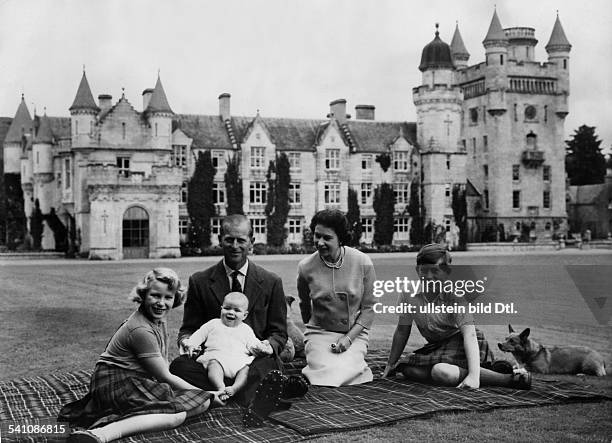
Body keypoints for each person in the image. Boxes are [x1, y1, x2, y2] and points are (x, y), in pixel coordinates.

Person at [169, 214, 307, 426]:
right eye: (229, 239)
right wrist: (187, 343)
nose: (235, 246)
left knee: (268, 364)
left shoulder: (271, 282)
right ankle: (258, 394)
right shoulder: (200, 281)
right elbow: (188, 329)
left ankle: (235, 392)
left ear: (251, 242)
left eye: (241, 240)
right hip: (213, 363)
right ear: (220, 239)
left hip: (252, 362)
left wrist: (268, 346)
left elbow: (279, 333)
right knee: (178, 367)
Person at [59, 268, 214, 443]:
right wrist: (207, 392)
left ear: (175, 299)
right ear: (143, 294)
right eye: (155, 295)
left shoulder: (158, 320)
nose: (161, 303)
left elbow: (162, 363)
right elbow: (165, 375)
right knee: (177, 415)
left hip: (135, 379)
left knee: (202, 402)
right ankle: (100, 434)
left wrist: (204, 395)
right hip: (114, 381)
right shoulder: (140, 329)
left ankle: (134, 417)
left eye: (168, 297)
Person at [382, 244, 531, 390]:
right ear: (417, 270)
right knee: (407, 369)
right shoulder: (408, 293)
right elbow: (402, 330)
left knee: (441, 372)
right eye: (424, 271)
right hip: (436, 346)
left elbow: (470, 335)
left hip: (463, 342)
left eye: (435, 271)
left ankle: (509, 379)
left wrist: (473, 376)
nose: (429, 276)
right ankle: (492, 370)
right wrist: (390, 364)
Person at [297, 209, 376, 386]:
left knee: (345, 370)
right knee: (327, 371)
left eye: (327, 238)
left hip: (354, 334)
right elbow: (304, 305)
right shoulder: (305, 267)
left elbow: (369, 308)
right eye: (317, 236)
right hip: (320, 332)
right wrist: (313, 333)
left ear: (341, 238)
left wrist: (349, 339)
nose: (320, 242)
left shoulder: (363, 262)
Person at [183, 292, 271, 402]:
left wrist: (262, 347)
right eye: (227, 308)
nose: (231, 312)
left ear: (245, 315)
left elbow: (254, 344)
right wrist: (191, 344)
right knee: (213, 365)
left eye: (237, 310)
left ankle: (235, 388)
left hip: (238, 362)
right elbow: (199, 335)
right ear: (221, 309)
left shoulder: (246, 330)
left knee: (245, 370)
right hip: (217, 358)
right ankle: (220, 388)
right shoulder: (213, 324)